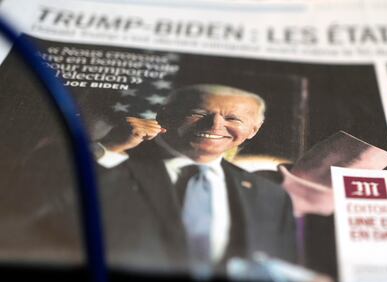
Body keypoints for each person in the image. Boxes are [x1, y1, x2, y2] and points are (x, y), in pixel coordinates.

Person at [94, 84, 296, 272]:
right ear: (164, 116)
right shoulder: (112, 160)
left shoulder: (270, 195)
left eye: (233, 119)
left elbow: (278, 269)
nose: (214, 125)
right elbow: (65, 200)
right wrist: (109, 148)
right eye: (198, 113)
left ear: (253, 130)